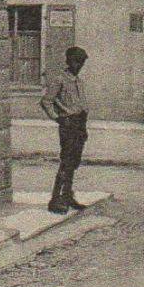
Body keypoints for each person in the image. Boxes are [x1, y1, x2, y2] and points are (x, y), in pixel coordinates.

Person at [40, 46, 90, 215]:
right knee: (66, 161)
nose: (79, 65)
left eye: (81, 62)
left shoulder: (79, 81)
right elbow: (46, 101)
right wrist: (57, 117)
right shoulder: (59, 79)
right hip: (68, 124)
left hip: (80, 124)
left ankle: (68, 195)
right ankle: (56, 199)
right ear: (68, 61)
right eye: (76, 61)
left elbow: (81, 104)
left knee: (74, 162)